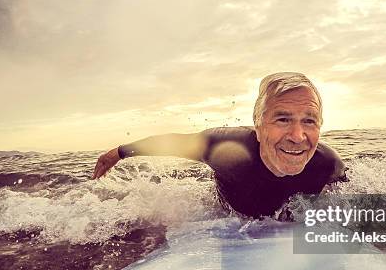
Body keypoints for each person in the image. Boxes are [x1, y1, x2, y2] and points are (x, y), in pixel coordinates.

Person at [92, 72, 348, 218]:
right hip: (228, 213)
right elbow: (171, 143)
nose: (297, 135)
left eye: (309, 121)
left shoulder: (327, 164)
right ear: (258, 125)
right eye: (282, 119)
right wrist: (120, 152)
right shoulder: (226, 149)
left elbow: (346, 196)